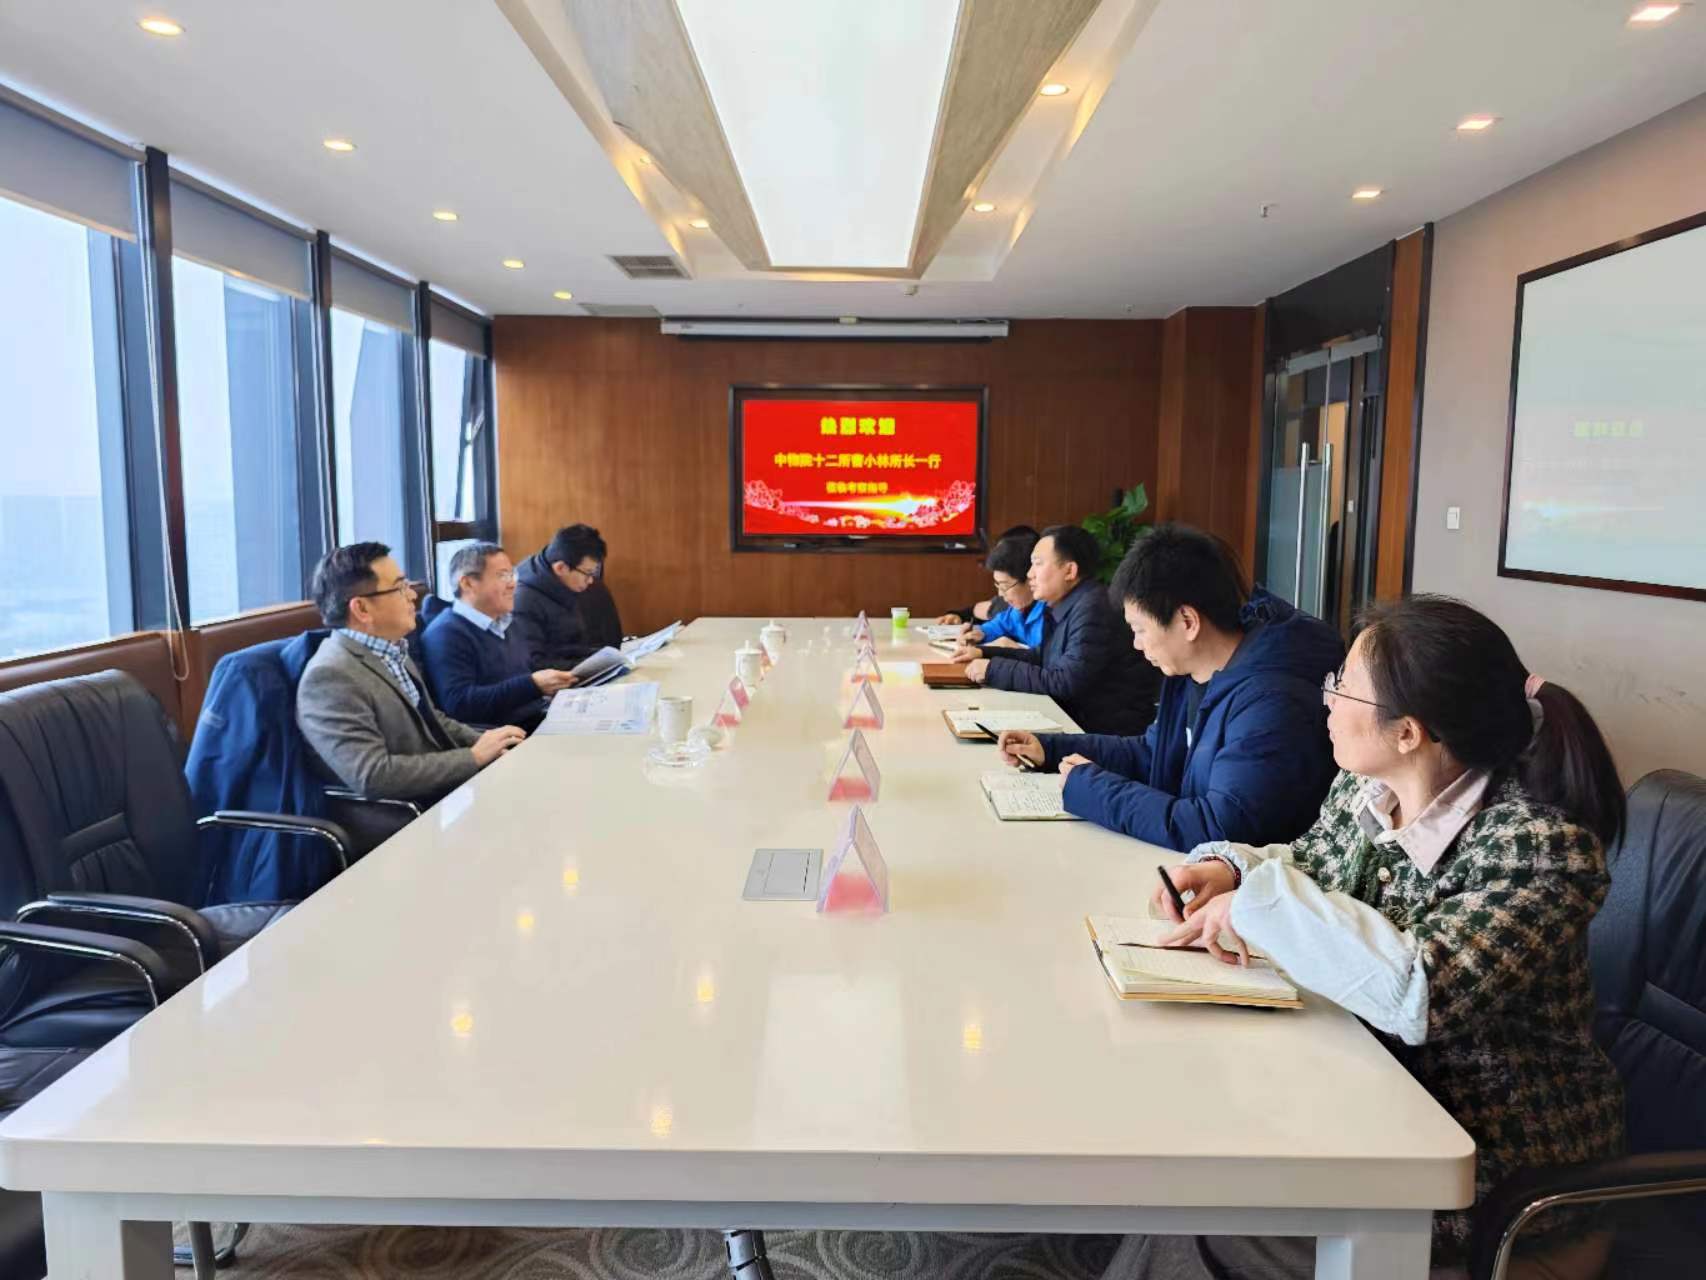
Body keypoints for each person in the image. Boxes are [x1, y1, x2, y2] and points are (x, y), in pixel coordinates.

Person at [1106, 595, 1624, 1280]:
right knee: (1197, 1150)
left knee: (1220, 1211)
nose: (1325, 698)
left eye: (1343, 685)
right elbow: (1313, 865)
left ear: (1407, 732)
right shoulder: (1368, 791)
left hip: (1491, 1173)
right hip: (1369, 1097)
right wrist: (1232, 869)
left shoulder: (1539, 847)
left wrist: (1258, 904)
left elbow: (1421, 992)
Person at [996, 524, 1342, 849]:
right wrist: (1050, 748)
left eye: (1140, 630)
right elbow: (1153, 752)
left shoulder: (1271, 702)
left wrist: (1092, 788)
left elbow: (1219, 827)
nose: (1136, 644)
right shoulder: (1192, 674)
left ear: (1187, 621)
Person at [296, 543, 525, 810]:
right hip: (403, 813)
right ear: (362, 609)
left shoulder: (393, 649)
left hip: (443, 791)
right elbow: (374, 775)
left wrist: (491, 743)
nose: (412, 596)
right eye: (400, 588)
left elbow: (431, 718)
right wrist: (473, 757)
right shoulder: (329, 677)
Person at [965, 525, 1159, 735]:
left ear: (1069, 571)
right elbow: (1042, 657)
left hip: (1103, 732)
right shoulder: (1067, 603)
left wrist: (993, 669)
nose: (1029, 574)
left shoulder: (1094, 608)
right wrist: (983, 653)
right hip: (1076, 719)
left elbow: (1064, 682)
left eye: (1038, 563)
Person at [418, 542, 579, 732]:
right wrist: (533, 685)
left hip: (537, 717)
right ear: (468, 583)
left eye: (512, 574)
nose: (513, 584)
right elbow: (459, 703)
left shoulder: (508, 622)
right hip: (503, 736)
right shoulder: (445, 633)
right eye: (502, 576)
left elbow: (526, 677)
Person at [512, 523, 609, 669]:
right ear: (561, 568)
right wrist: (589, 666)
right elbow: (534, 664)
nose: (590, 581)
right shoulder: (523, 600)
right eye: (588, 573)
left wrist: (601, 657)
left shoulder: (562, 584)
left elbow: (572, 648)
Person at [947, 533, 1045, 655]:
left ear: (1030, 578)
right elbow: (999, 625)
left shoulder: (1051, 613)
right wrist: (980, 633)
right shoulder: (1018, 609)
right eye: (998, 586)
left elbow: (1051, 661)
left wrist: (1017, 651)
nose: (1000, 594)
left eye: (1004, 586)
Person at [936, 524, 1039, 625]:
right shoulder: (1004, 604)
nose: (1000, 594)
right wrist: (958, 616)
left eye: (1005, 586)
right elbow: (974, 611)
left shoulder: (1045, 614)